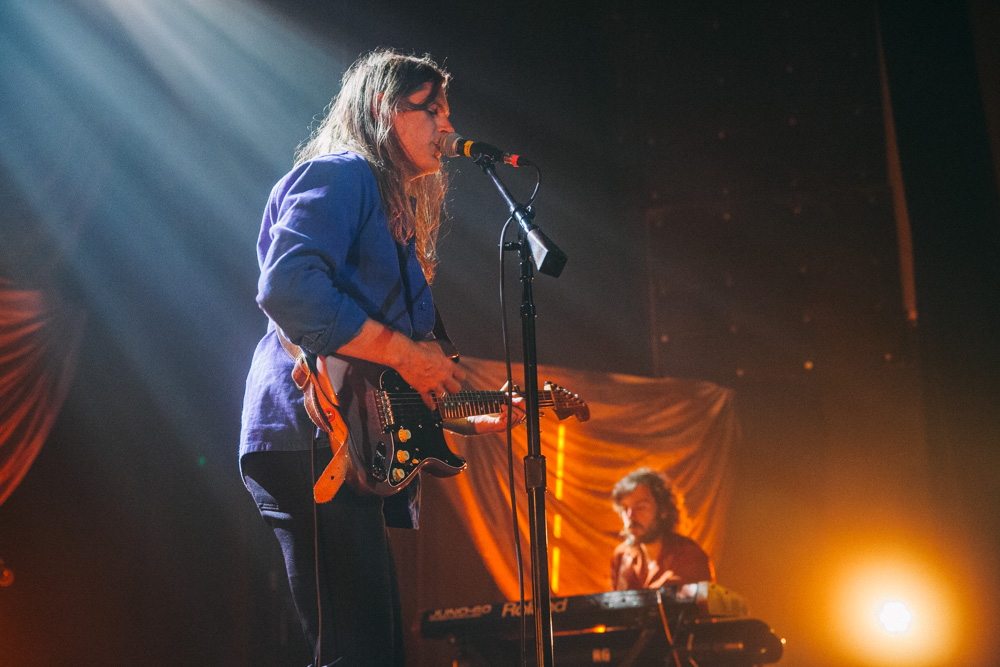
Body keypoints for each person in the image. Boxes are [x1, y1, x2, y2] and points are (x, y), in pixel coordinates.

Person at [239, 49, 523, 667]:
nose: (448, 127)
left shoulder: (394, 218)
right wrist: (404, 352)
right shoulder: (342, 176)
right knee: (357, 651)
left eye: (448, 111)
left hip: (348, 437)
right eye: (431, 110)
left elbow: (383, 376)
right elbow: (286, 287)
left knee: (376, 651)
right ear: (380, 110)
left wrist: (461, 412)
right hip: (309, 435)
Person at [609, 467, 715, 591]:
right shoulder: (621, 556)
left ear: (663, 510)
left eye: (640, 507)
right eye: (625, 508)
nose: (629, 516)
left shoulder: (689, 554)